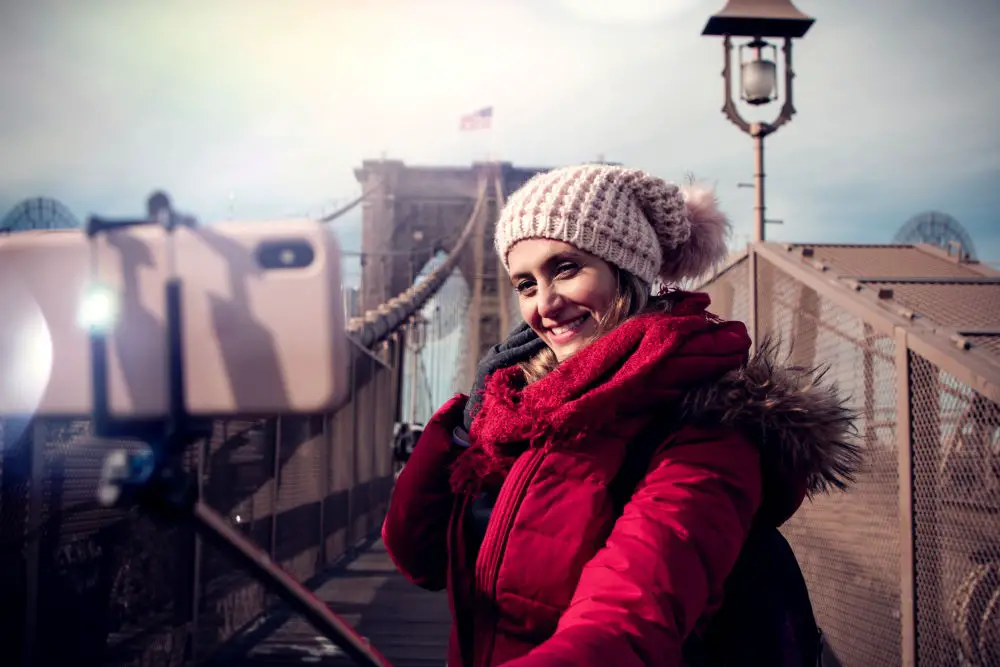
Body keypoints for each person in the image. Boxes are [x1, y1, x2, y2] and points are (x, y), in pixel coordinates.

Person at [382, 164, 859, 667]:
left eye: (566, 268)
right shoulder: (521, 411)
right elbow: (423, 559)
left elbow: (626, 621)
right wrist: (465, 425)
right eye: (525, 284)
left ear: (626, 270)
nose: (545, 304)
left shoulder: (709, 427)